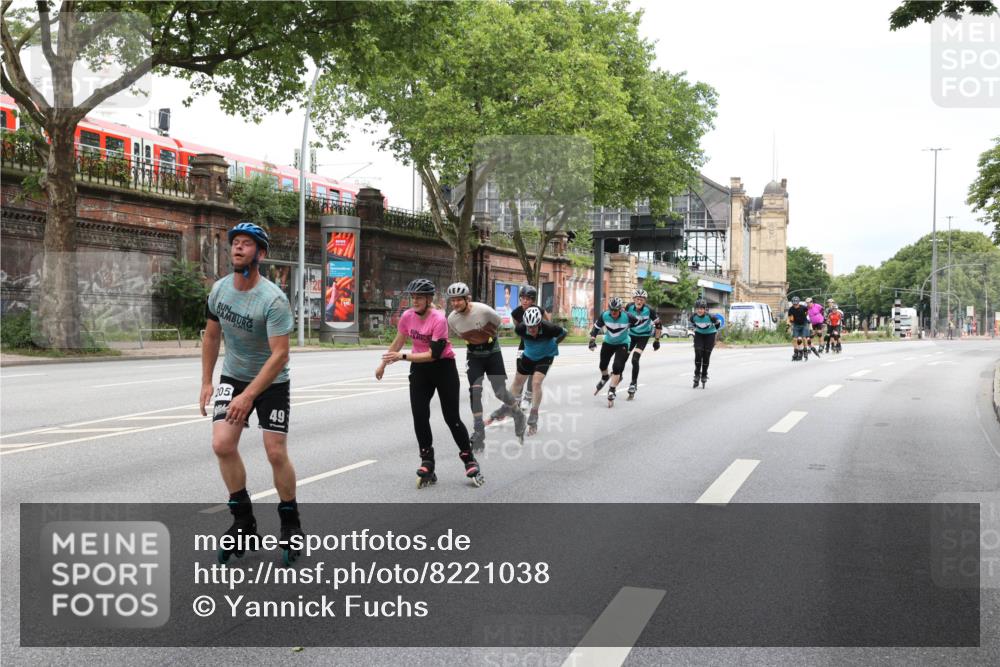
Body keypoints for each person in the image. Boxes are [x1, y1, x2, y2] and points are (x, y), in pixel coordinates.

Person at [200, 222, 301, 565]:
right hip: (234, 376)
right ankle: (243, 522)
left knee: (275, 451)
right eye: (235, 243)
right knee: (222, 444)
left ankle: (290, 523)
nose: (238, 247)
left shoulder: (273, 299)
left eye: (246, 243)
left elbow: (280, 355)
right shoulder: (219, 290)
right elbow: (212, 336)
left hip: (272, 381)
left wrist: (248, 397)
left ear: (261, 253)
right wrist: (207, 381)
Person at [376, 278, 484, 489]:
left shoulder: (438, 319)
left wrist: (402, 357)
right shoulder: (407, 316)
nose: (415, 301)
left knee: (451, 417)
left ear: (428, 299)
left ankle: (469, 459)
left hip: (443, 367)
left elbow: (433, 355)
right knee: (420, 415)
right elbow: (399, 341)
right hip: (420, 370)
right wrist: (383, 364)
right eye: (413, 297)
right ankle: (427, 462)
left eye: (419, 297)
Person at [445, 281, 525, 451]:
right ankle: (479, 431)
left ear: (467, 299)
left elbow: (498, 323)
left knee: (500, 392)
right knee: (475, 391)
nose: (455, 303)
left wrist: (485, 336)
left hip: (492, 353)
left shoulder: (484, 311)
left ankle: (518, 414)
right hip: (474, 355)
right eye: (453, 300)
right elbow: (460, 334)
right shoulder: (451, 319)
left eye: (459, 299)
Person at [488, 284, 549, 422]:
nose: (525, 301)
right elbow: (518, 328)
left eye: (528, 299)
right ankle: (517, 400)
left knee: (533, 371)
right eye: (523, 298)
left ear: (533, 300)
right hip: (524, 345)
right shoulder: (516, 312)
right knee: (520, 372)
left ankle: (528, 396)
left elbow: (548, 323)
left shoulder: (539, 310)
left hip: (538, 346)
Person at [511, 306, 567, 436]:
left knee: (536, 383)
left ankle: (534, 414)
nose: (531, 330)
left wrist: (555, 343)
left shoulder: (549, 328)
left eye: (534, 327)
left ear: (539, 324)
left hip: (546, 355)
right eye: (529, 327)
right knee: (517, 382)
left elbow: (564, 332)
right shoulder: (520, 329)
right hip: (529, 355)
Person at [589, 296, 638, 408]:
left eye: (616, 310)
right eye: (611, 310)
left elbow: (639, 325)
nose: (613, 312)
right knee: (602, 365)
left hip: (623, 343)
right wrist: (592, 340)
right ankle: (605, 377)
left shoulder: (628, 316)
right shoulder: (604, 315)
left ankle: (612, 389)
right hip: (608, 342)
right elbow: (595, 328)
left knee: (617, 366)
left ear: (621, 309)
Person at [624, 288, 662, 400]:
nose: (639, 301)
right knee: (622, 358)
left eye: (641, 299)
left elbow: (659, 325)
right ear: (634, 299)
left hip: (643, 336)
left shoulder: (649, 310)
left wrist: (657, 340)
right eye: (637, 299)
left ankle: (633, 384)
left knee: (635, 359)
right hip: (631, 336)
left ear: (645, 301)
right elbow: (624, 320)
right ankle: (618, 375)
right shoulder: (629, 307)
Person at [689, 298, 724, 388]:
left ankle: (704, 374)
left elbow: (717, 325)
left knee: (706, 355)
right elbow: (693, 323)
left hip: (710, 335)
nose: (699, 310)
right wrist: (696, 328)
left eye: (701, 308)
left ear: (705, 309)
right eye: (697, 308)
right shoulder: (693, 317)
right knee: (698, 353)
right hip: (699, 334)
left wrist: (714, 335)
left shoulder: (711, 317)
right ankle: (697, 374)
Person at [788, 296, 810, 361]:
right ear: (792, 303)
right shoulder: (791, 309)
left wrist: (806, 318)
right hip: (796, 325)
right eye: (794, 303)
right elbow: (790, 318)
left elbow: (807, 312)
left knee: (804, 338)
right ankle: (796, 352)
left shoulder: (803, 307)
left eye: (796, 303)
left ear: (798, 302)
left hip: (804, 324)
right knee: (795, 339)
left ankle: (805, 350)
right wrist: (788, 326)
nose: (795, 304)